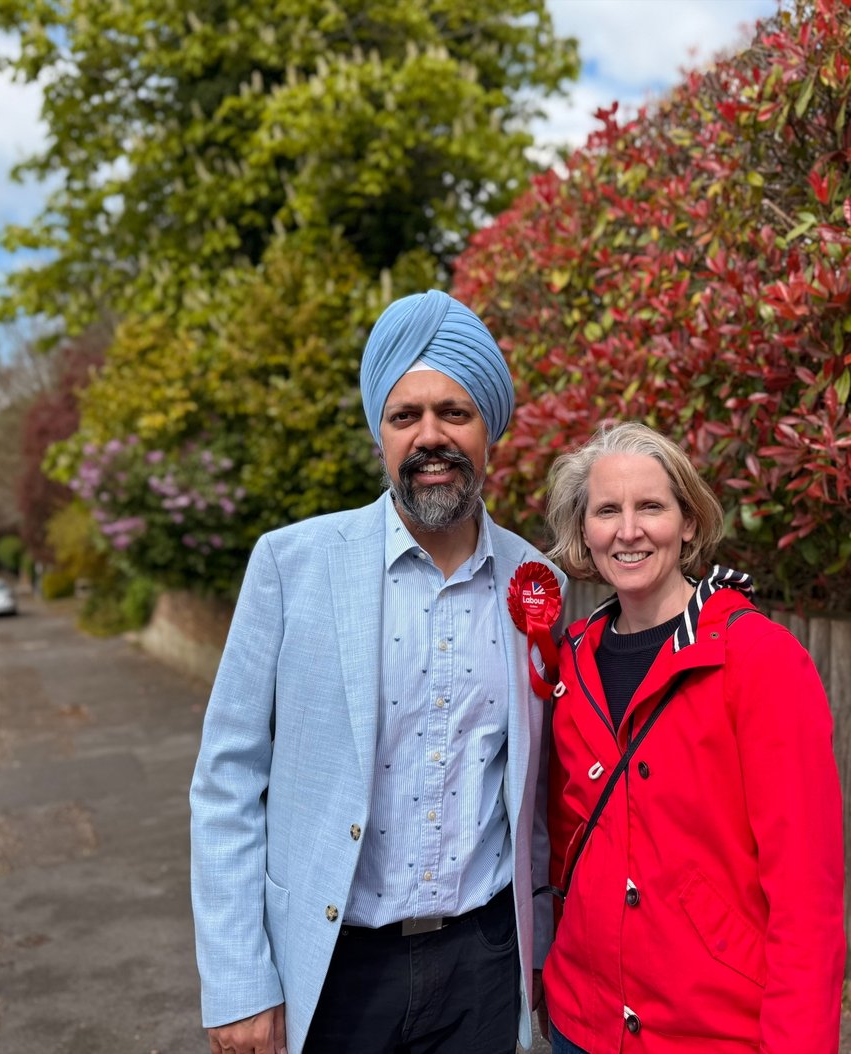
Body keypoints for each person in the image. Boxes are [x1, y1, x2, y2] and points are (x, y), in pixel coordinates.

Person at [190, 289, 565, 1054]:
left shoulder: (536, 580)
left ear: (489, 428)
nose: (431, 436)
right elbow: (227, 780)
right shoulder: (290, 565)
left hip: (485, 966)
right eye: (406, 417)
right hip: (332, 971)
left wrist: (539, 960)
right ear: (380, 435)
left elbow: (530, 795)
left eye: (455, 413)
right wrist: (238, 982)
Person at [538, 421, 845, 1054]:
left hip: (709, 1031)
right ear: (583, 532)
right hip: (581, 1023)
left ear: (689, 522)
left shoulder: (760, 660)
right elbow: (563, 841)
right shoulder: (571, 661)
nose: (628, 530)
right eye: (607, 511)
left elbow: (805, 897)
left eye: (650, 506)